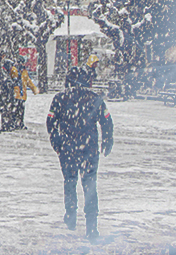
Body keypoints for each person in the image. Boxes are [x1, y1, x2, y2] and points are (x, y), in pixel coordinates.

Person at [46, 66, 114, 240]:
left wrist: (57, 141)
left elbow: (50, 122)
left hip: (68, 148)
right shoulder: (95, 99)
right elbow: (107, 122)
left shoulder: (60, 98)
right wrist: (107, 140)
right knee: (90, 185)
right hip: (88, 148)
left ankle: (71, 215)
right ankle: (91, 225)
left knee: (70, 181)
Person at [10, 55, 38, 130]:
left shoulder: (24, 71)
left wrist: (34, 89)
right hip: (16, 93)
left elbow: (28, 81)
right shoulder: (14, 69)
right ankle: (14, 123)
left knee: (21, 110)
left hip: (22, 94)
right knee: (15, 110)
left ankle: (20, 123)